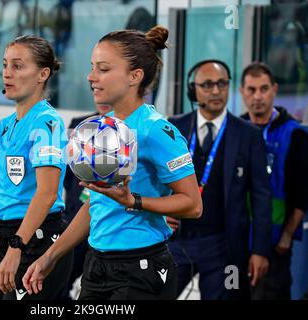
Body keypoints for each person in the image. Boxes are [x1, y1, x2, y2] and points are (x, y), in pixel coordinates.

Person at [22, 25, 202, 300]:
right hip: (97, 267)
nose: (91, 77)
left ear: (135, 76)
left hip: (142, 271)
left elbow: (193, 204)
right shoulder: (103, 129)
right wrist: (50, 257)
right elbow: (96, 205)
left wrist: (135, 201)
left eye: (103, 69)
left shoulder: (156, 130)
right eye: (93, 67)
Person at [0, 35, 73, 300]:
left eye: (18, 66)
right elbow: (4, 194)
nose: (7, 73)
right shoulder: (5, 124)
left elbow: (48, 193)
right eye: (5, 65)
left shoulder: (47, 123)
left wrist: (17, 247)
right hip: (5, 238)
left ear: (43, 74)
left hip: (36, 239)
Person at [166, 59, 273, 300]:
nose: (215, 91)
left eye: (221, 84)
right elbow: (154, 180)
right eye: (207, 85)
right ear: (193, 90)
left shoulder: (248, 134)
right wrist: (160, 212)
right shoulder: (174, 127)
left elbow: (261, 197)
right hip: (176, 241)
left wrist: (260, 250)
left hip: (224, 247)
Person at [239, 62, 308, 299]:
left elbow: (302, 193)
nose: (258, 96)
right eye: (251, 89)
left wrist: (287, 236)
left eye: (264, 89)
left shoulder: (295, 134)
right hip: (236, 241)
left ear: (275, 90)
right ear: (242, 92)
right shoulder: (234, 130)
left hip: (276, 243)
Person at [63, 103, 112, 298]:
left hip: (108, 230)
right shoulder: (79, 125)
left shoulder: (129, 129)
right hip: (76, 220)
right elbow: (67, 176)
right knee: (57, 283)